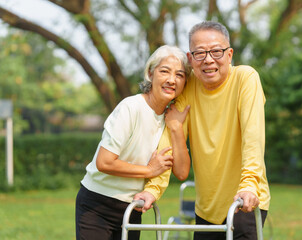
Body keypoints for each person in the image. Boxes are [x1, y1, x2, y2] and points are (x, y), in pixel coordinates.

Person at [135, 21, 270, 240]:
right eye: (200, 53)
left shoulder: (246, 78)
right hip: (206, 209)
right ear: (190, 59)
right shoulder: (188, 89)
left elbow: (252, 138)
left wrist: (249, 185)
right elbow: (167, 147)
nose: (208, 59)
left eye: (216, 51)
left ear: (229, 54)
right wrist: (153, 189)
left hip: (244, 199)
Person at [75, 45, 191, 240]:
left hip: (133, 207)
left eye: (179, 75)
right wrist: (148, 171)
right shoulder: (131, 108)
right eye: (164, 71)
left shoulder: (173, 119)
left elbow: (181, 172)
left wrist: (177, 129)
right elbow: (103, 162)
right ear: (150, 74)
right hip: (97, 204)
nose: (172, 80)